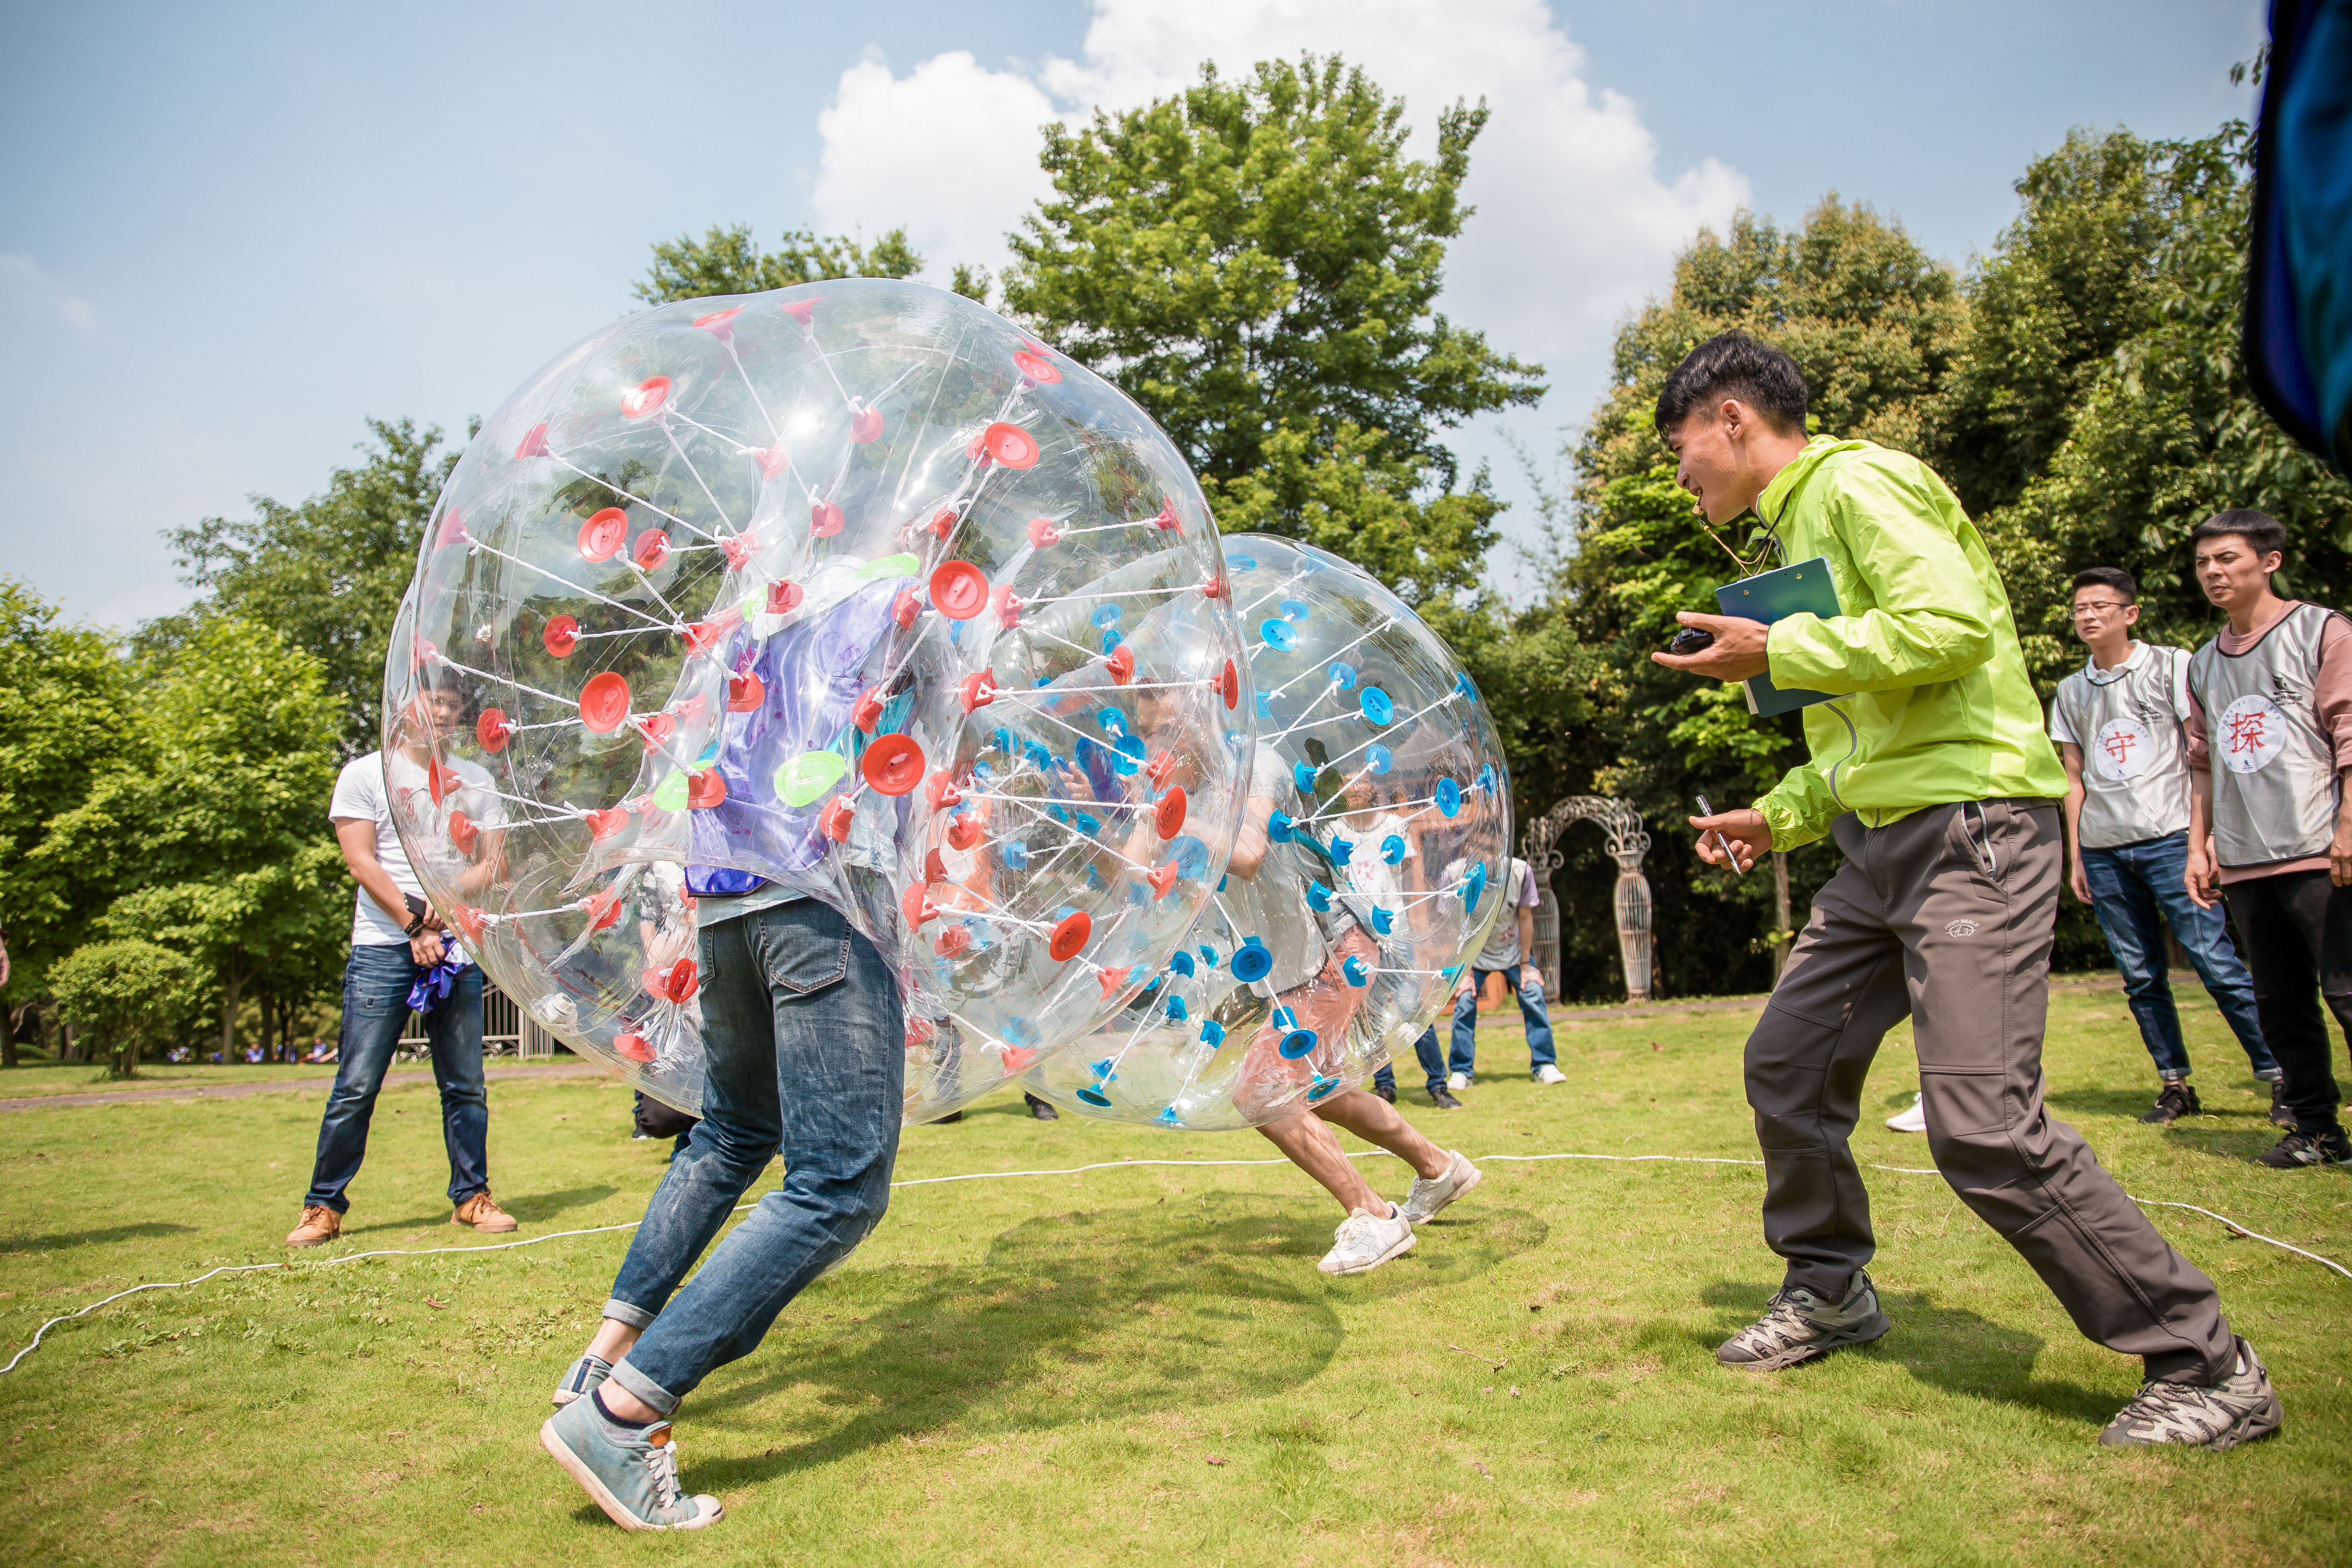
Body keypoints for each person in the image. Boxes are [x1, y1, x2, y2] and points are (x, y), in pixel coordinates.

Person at [1660, 330, 2279, 1451]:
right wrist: (1782, 814)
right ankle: (1832, 1288)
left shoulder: (1858, 481)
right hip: (1878, 850)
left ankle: (2206, 1362)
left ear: (1734, 421)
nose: (1683, 473)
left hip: (1973, 833)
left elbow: (1948, 632)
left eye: (1682, 448)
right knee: (1787, 1064)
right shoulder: (1800, 530)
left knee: (1984, 1129)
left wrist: (1783, 648)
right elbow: (1874, 737)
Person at [540, 868, 902, 1531]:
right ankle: (622, 1412)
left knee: (734, 1134)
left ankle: (603, 1358)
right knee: (838, 1186)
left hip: (725, 909)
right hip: (823, 898)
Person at [1225, 742, 1480, 1275]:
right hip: (1298, 962)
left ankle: (1373, 1214)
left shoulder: (1256, 764)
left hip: (1332, 949)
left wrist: (1178, 824)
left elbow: (1247, 856)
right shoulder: (1198, 788)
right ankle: (1439, 1170)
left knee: (1260, 1089)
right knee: (1322, 1096)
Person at [285, 668, 515, 1247]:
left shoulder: (479, 778)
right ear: (404, 705)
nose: (442, 713)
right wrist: (414, 920)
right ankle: (322, 1206)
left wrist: (438, 911)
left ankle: (472, 1196)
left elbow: (493, 866)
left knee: (465, 1082)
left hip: (455, 946)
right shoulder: (366, 774)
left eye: (453, 704)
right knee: (357, 1083)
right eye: (432, 700)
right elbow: (362, 862)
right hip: (381, 947)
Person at [2051, 566, 2283, 1126]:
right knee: (2140, 976)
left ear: (2130, 613)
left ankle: (2281, 1076)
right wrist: (2078, 855)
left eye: (2101, 606)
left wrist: (2208, 838)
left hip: (2173, 838)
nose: (2088, 616)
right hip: (2105, 851)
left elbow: (2204, 752)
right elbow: (2073, 778)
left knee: (2216, 962)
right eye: (2081, 608)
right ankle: (2174, 1083)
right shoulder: (2070, 690)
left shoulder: (2173, 665)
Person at [2183, 510, 2352, 1170]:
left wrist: (2348, 826)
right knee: (2281, 1007)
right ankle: (2317, 1131)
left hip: (2321, 849)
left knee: (2346, 993)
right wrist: (2202, 846)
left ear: (2270, 561)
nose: (2213, 573)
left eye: (2227, 559)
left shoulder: (2321, 630)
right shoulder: (2202, 663)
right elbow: (2201, 762)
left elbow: (2348, 731)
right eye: (2203, 564)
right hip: (2248, 861)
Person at [1442, 857, 1558, 1090]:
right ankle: (1461, 1071)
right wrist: (1463, 972)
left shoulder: (1520, 871)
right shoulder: (1458, 873)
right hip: (1474, 955)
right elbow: (1452, 925)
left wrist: (1526, 965)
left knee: (1533, 993)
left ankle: (1545, 1064)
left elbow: (1525, 918)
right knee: (1465, 1001)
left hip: (1513, 953)